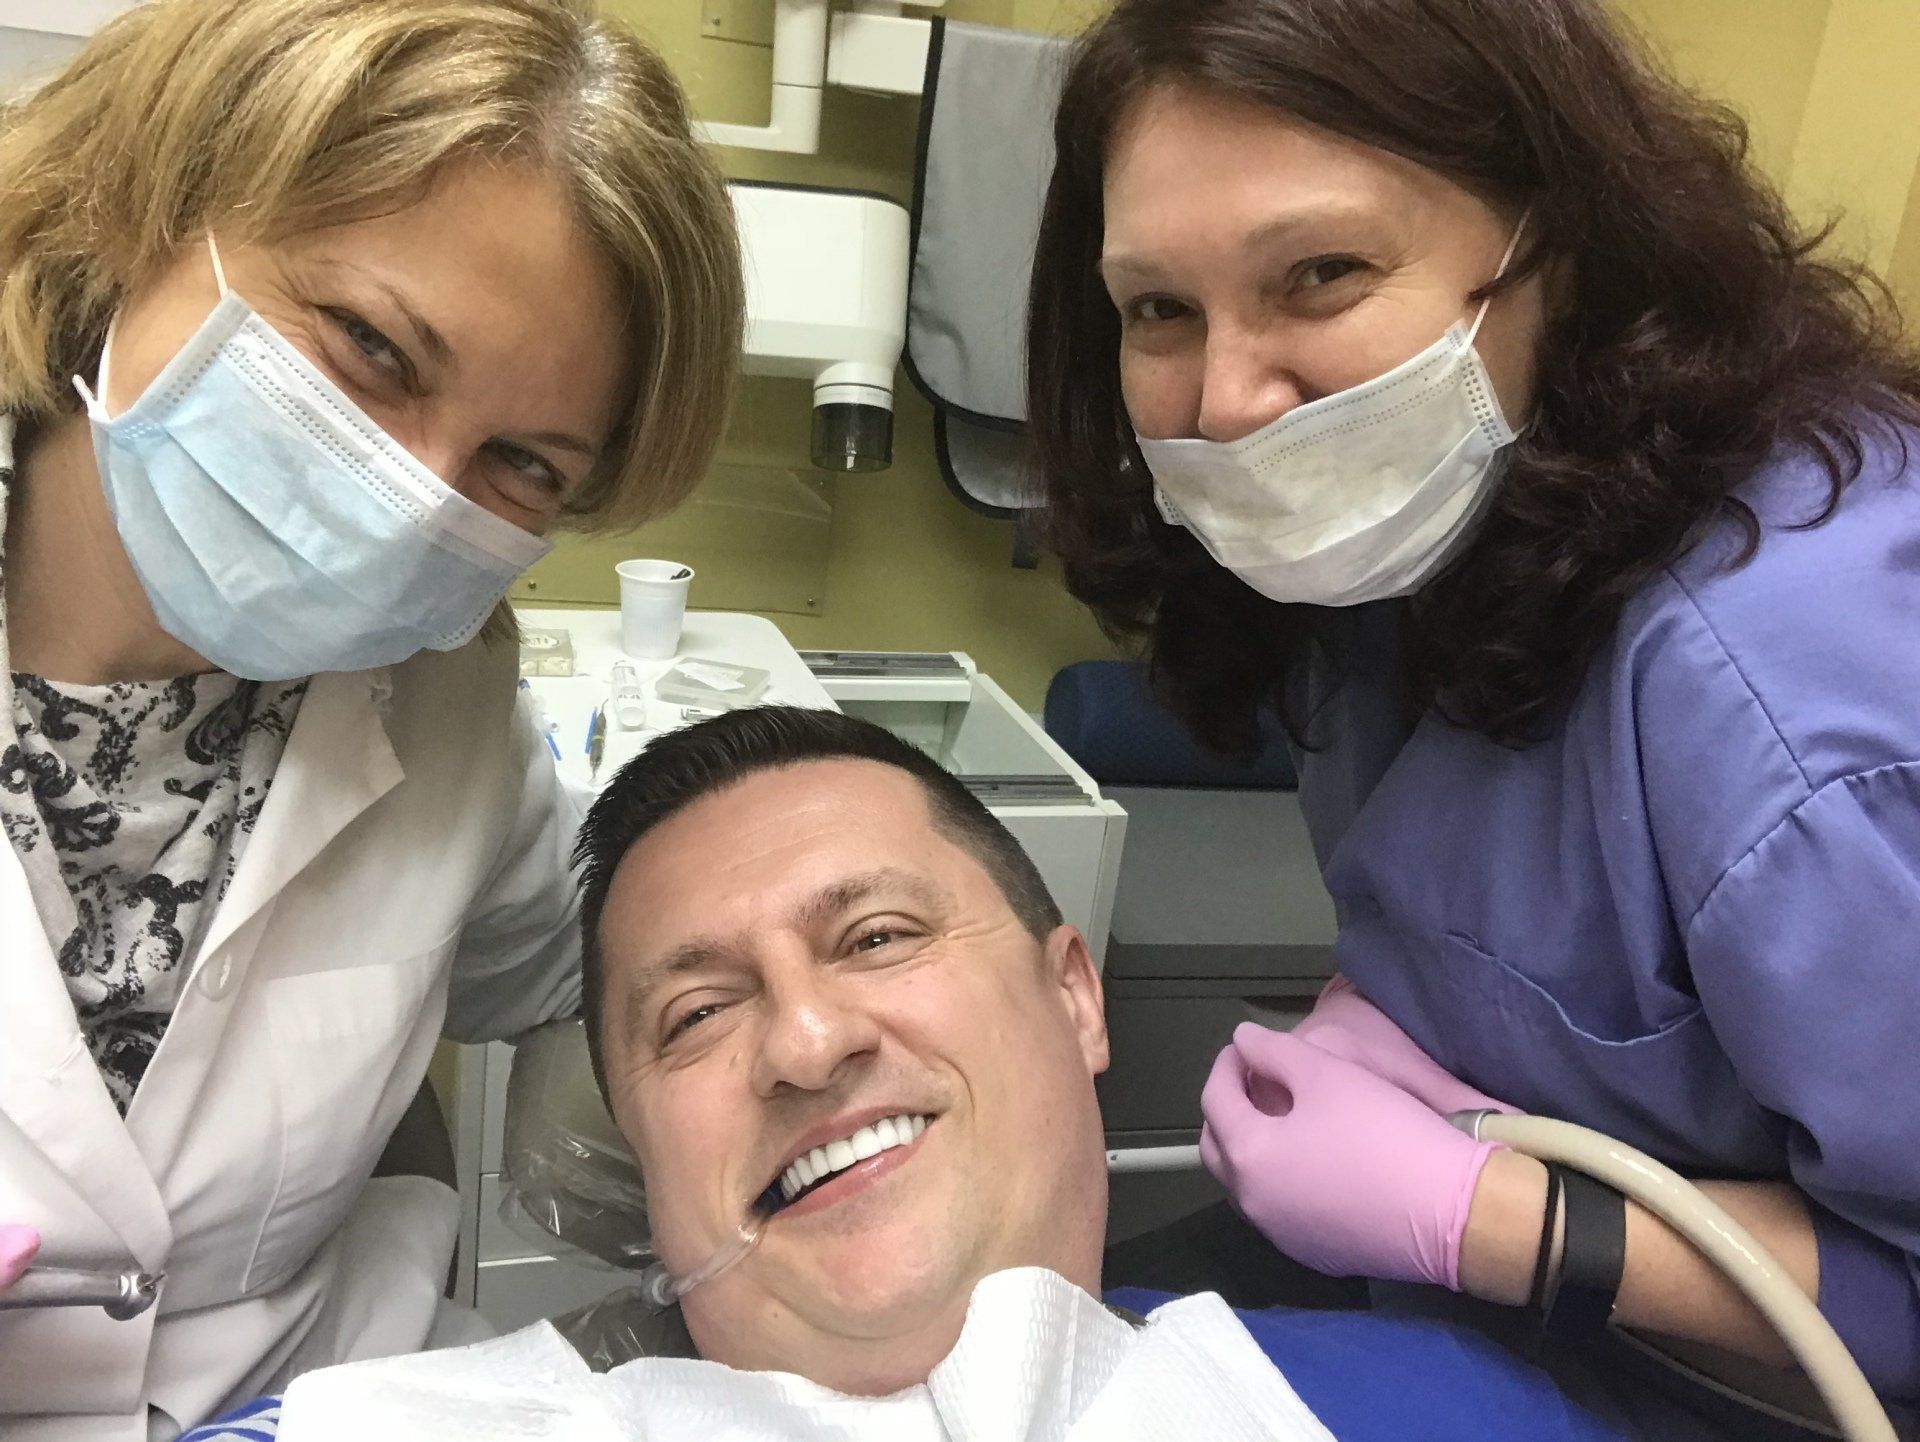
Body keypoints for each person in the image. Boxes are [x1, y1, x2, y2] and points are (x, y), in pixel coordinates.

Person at [1023, 0, 1920, 1432]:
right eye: (1157, 310)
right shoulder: (1410, 542)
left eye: (1320, 273)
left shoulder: (1795, 705)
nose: (1230, 400)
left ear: (1555, 252)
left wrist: (1503, 1216)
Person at [0, 0, 741, 1435]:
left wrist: (675, 1093)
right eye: (373, 350)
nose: (417, 500)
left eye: (523, 463)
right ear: (140, 214)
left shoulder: (447, 701)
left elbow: (570, 968)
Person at [240, 705, 1627, 1441]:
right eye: (697, 1012)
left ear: (1076, 995)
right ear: (644, 1167)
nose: (803, 1039)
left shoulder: (1434, 1405)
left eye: (880, 934)